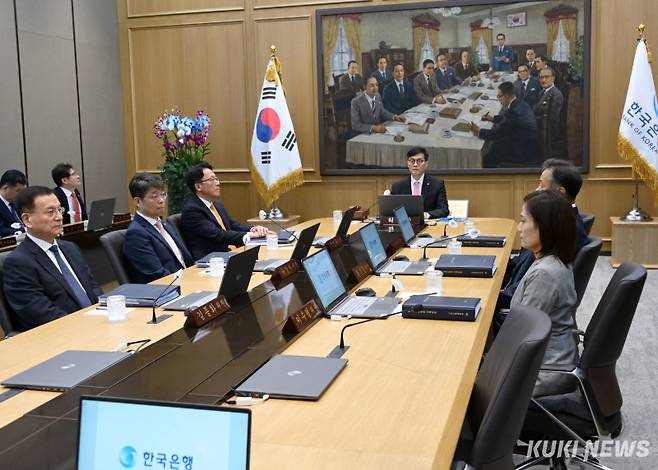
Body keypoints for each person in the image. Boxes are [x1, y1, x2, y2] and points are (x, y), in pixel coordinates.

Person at [3, 186, 102, 330]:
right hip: (62, 334)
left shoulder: (70, 248)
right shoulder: (18, 262)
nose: (59, 217)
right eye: (50, 212)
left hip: (95, 324)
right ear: (27, 219)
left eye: (59, 210)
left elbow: (93, 287)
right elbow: (40, 313)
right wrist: (84, 326)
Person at [510, 189, 578, 396]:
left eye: (523, 221)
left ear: (545, 227)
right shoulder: (550, 260)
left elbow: (523, 335)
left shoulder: (545, 274)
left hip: (543, 371)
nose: (519, 228)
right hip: (545, 360)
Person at [497, 160, 587, 312]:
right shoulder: (551, 226)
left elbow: (524, 319)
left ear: (558, 191)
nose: (537, 190)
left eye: (541, 185)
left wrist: (485, 297)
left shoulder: (554, 235)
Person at [180, 162, 271, 259]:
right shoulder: (192, 210)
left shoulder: (216, 205)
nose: (218, 183)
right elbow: (217, 234)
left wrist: (254, 229)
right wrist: (249, 235)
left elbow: (233, 225)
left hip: (230, 254)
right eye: (212, 180)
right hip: (212, 260)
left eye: (216, 179)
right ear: (198, 186)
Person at [123, 173, 193, 284]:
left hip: (187, 280)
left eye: (163, 194)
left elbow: (186, 260)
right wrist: (190, 282)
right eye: (155, 196)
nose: (161, 200)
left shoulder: (164, 224)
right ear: (137, 201)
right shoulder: (136, 233)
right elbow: (156, 275)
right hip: (167, 290)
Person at [469, 82, 539, 168]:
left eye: (499, 96)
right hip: (527, 142)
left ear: (506, 96)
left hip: (522, 150)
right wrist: (493, 118)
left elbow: (497, 134)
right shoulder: (520, 103)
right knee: (495, 146)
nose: (498, 99)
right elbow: (509, 121)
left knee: (489, 156)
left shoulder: (513, 112)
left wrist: (479, 131)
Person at [537, 160, 588, 251]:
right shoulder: (565, 219)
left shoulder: (561, 231)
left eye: (541, 185)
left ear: (560, 192)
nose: (537, 190)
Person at [390, 147, 449, 219]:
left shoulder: (437, 184)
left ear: (426, 163)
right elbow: (392, 211)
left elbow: (444, 210)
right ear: (408, 163)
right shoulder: (398, 186)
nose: (415, 164)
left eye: (419, 161)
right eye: (412, 161)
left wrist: (426, 215)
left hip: (429, 226)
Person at [534, 66, 564, 156]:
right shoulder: (542, 92)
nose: (543, 80)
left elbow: (553, 121)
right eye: (541, 77)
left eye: (546, 77)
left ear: (553, 78)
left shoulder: (556, 95)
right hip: (538, 125)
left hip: (546, 134)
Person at [0, 170, 27, 237]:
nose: (21, 194)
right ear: (6, 188)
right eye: (18, 191)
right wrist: (25, 230)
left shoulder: (15, 203)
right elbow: (2, 230)